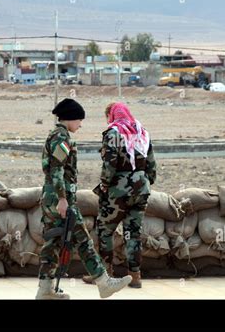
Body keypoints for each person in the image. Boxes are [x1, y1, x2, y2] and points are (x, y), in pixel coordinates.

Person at [36, 98, 132, 299]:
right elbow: (56, 170)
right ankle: (103, 282)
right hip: (59, 199)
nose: (81, 124)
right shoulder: (61, 138)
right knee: (83, 239)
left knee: (53, 242)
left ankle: (45, 289)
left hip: (52, 197)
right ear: (70, 118)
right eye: (79, 120)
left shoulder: (58, 135)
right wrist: (62, 199)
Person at [83, 102, 156, 288]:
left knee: (105, 230)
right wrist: (144, 183)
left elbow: (110, 162)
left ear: (112, 115)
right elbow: (151, 164)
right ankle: (135, 275)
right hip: (141, 188)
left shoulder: (113, 133)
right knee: (133, 233)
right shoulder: (142, 132)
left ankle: (104, 274)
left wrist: (105, 184)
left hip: (118, 189)